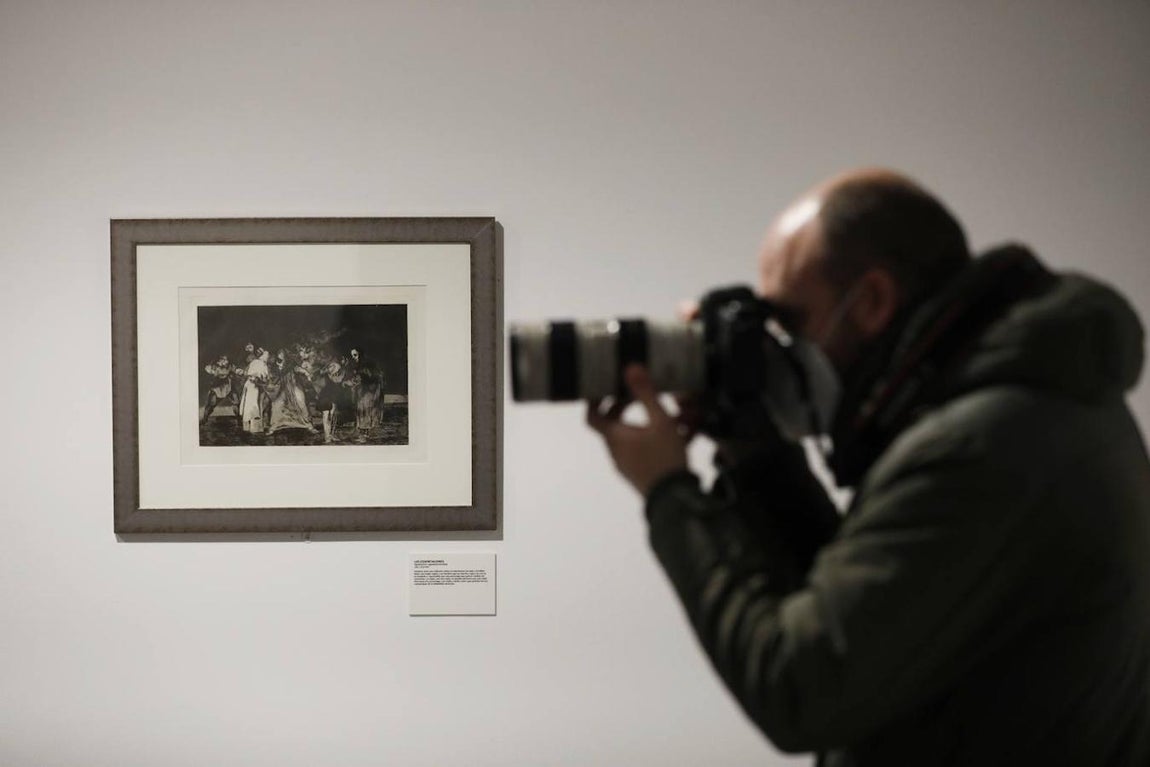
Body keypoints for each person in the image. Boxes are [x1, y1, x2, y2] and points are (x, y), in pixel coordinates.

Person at [588, 168, 1150, 765]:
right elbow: (874, 618)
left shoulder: (980, 447)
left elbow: (798, 689)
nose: (781, 349)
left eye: (791, 321)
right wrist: (755, 454)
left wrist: (669, 492)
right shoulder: (1033, 404)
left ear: (873, 301)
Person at [239, 346, 270, 433]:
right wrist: (260, 380)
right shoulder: (259, 363)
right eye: (266, 355)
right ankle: (253, 428)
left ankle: (250, 427)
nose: (267, 357)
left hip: (253, 385)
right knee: (252, 406)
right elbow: (257, 377)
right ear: (262, 355)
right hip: (253, 386)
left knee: (251, 406)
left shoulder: (257, 363)